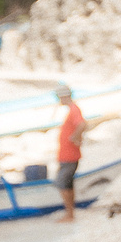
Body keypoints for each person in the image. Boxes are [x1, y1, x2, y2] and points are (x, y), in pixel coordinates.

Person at [53, 84, 86, 222]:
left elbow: (82, 124)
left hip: (69, 155)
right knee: (67, 183)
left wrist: (74, 137)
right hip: (67, 154)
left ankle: (69, 214)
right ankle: (70, 213)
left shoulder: (74, 109)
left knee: (62, 182)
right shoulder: (72, 109)